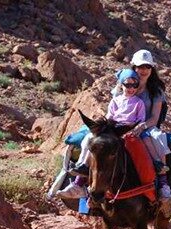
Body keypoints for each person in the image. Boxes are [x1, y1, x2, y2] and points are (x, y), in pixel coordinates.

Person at [56, 69, 146, 199]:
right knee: (90, 138)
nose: (131, 88)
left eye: (134, 85)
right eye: (127, 85)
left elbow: (140, 119)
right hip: (113, 128)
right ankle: (82, 167)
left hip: (128, 129)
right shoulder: (116, 100)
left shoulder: (139, 103)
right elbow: (110, 116)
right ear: (121, 85)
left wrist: (137, 128)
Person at [127, 49, 171, 202]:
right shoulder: (126, 83)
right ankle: (82, 182)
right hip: (125, 124)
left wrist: (142, 127)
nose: (143, 70)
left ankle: (163, 183)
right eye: (140, 67)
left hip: (147, 125)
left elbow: (155, 117)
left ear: (152, 69)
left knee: (158, 137)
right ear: (134, 67)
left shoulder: (156, 90)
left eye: (147, 67)